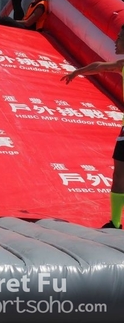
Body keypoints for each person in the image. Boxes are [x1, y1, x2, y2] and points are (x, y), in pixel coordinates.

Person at [61, 26, 124, 229]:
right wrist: (78, 71)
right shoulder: (122, 65)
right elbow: (100, 66)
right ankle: (115, 223)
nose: (115, 41)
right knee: (119, 174)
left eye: (119, 37)